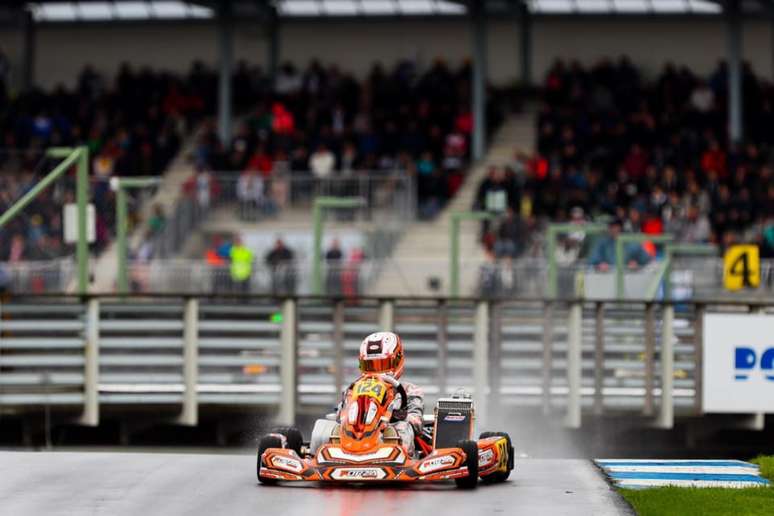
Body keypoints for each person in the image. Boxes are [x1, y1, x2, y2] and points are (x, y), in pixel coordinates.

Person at [341, 332, 424, 457]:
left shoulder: (410, 390)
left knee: (402, 428)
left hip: (386, 436)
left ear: (397, 360)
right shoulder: (353, 389)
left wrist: (399, 416)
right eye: (370, 366)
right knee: (325, 427)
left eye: (382, 365)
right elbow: (340, 418)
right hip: (354, 436)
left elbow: (417, 424)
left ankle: (402, 458)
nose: (377, 372)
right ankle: (333, 455)